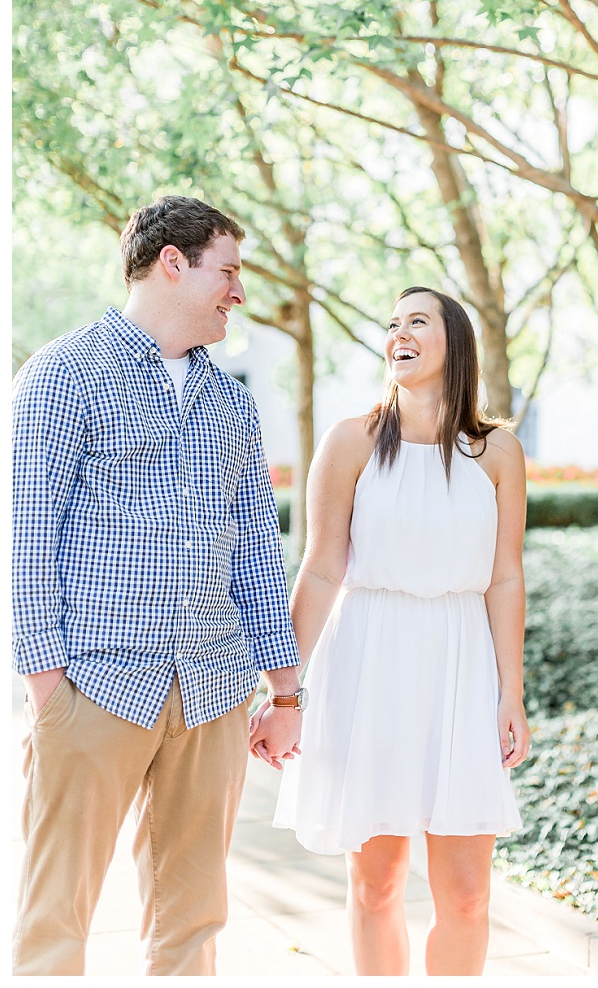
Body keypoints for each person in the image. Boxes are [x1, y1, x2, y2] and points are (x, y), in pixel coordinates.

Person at [11, 195, 304, 975]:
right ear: (172, 262)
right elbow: (27, 538)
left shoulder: (232, 403)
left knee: (192, 927)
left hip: (210, 695)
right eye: (229, 271)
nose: (239, 292)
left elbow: (255, 558)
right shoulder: (63, 373)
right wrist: (50, 693)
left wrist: (284, 692)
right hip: (95, 688)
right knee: (54, 923)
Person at [267, 285, 530, 976]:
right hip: (370, 657)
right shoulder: (350, 440)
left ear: (455, 344)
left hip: (462, 661)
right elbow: (320, 570)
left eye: (417, 321)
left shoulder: (498, 452)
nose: (398, 334)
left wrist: (512, 693)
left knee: (469, 896)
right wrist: (285, 693)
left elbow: (505, 578)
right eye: (391, 324)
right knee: (376, 883)